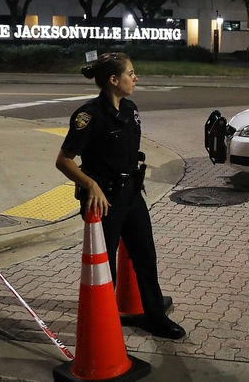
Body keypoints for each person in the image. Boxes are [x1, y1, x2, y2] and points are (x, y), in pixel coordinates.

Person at [55, 52, 185, 340]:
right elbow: (63, 160)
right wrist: (91, 185)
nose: (135, 78)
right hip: (103, 202)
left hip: (132, 197)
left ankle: (155, 318)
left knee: (146, 259)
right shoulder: (88, 116)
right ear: (114, 80)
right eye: (131, 73)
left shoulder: (130, 108)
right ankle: (104, 327)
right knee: (105, 268)